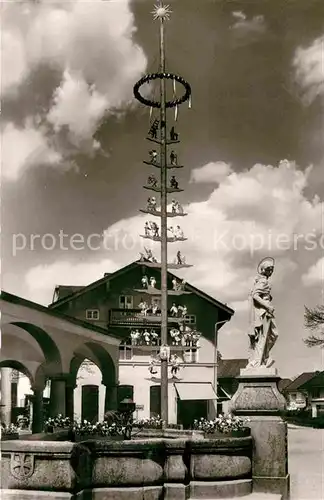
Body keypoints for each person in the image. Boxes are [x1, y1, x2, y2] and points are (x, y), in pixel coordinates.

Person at [247, 257, 278, 369]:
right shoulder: (263, 281)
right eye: (269, 269)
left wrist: (268, 298)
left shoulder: (263, 281)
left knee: (272, 334)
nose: (271, 272)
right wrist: (267, 305)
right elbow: (255, 295)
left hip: (265, 311)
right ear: (264, 270)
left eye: (272, 270)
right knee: (265, 336)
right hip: (263, 312)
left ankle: (263, 358)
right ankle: (258, 362)